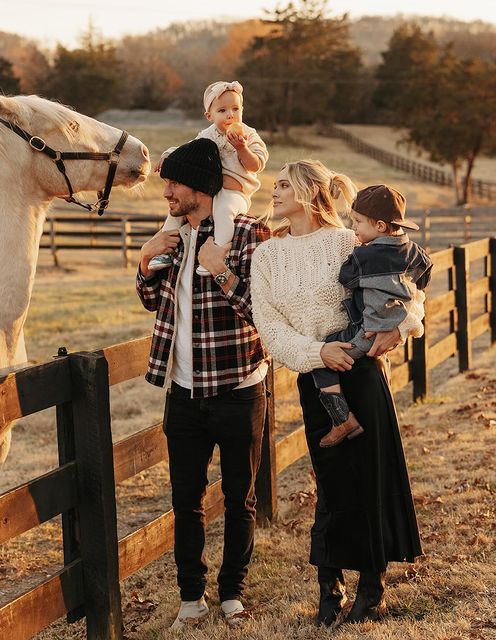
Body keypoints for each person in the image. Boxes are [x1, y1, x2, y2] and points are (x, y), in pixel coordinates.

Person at [250, 160, 423, 626]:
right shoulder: (267, 256)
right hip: (317, 377)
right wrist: (317, 351)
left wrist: (403, 329)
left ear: (308, 191)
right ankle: (329, 587)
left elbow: (405, 288)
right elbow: (269, 326)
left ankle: (372, 589)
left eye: (284, 183)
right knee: (330, 482)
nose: (275, 190)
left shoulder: (349, 241)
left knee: (371, 477)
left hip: (363, 375)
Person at [136, 137, 271, 629]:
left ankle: (232, 593)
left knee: (240, 499)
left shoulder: (251, 235)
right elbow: (153, 302)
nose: (166, 191)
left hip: (239, 389)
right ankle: (191, 598)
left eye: (174, 182)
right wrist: (145, 260)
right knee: (184, 501)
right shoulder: (173, 235)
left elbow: (265, 314)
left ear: (201, 185)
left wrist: (222, 274)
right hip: (184, 395)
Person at [311, 184, 433, 448]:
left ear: (379, 226)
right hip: (391, 326)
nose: (353, 228)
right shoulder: (411, 249)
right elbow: (426, 270)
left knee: (323, 355)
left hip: (365, 331)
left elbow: (346, 278)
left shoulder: (364, 255)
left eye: (358, 222)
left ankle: (341, 419)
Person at [148, 80, 268, 276]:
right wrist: (169, 153)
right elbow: (188, 151)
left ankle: (218, 252)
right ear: (209, 116)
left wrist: (242, 148)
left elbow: (257, 165)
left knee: (223, 212)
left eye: (236, 109)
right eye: (222, 110)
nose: (230, 114)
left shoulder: (248, 134)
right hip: (213, 190)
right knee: (175, 214)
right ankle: (164, 253)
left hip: (235, 193)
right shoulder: (207, 135)